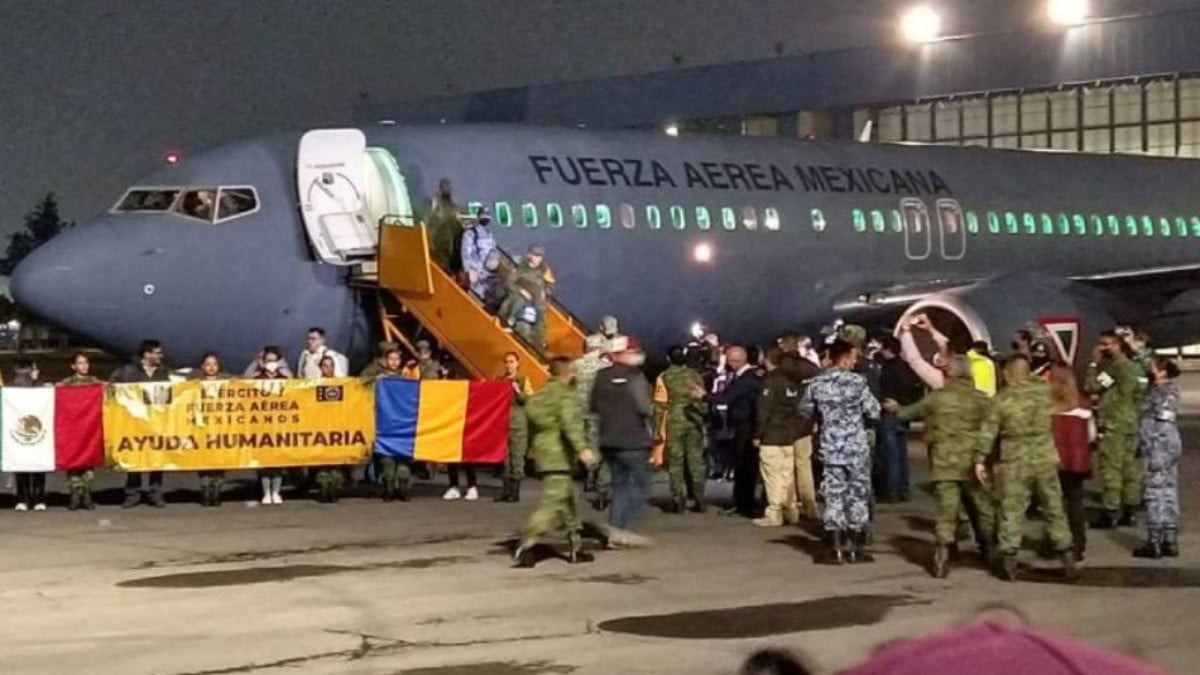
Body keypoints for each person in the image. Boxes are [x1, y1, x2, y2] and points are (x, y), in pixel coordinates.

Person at [886, 355, 994, 578]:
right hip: (972, 464)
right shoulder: (982, 400)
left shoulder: (937, 398)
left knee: (947, 512)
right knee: (981, 509)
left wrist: (895, 407)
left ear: (951, 373)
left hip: (944, 464)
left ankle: (943, 555)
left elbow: (908, 413)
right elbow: (993, 428)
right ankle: (990, 551)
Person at [977, 354, 1076, 581]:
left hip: (1015, 461)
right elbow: (1069, 399)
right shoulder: (1043, 391)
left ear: (1007, 373)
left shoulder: (1001, 400)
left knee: (1011, 510)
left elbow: (987, 433)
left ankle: (1009, 559)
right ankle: (1067, 555)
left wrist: (979, 459)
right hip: (1045, 458)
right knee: (1054, 508)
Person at [801, 339, 881, 564]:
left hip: (831, 447)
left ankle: (835, 547)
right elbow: (874, 411)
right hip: (856, 446)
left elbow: (805, 411)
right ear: (845, 358)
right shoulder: (858, 383)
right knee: (857, 495)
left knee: (834, 495)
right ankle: (855, 547)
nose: (855, 362)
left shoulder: (817, 383)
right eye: (853, 357)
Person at [513, 357, 597, 567]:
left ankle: (576, 548)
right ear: (567, 373)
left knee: (568, 502)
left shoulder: (541, 394)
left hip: (544, 454)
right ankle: (527, 544)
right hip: (559, 456)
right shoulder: (564, 395)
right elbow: (570, 423)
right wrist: (582, 449)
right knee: (551, 505)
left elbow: (531, 418)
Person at [590, 336, 654, 532]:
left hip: (608, 439)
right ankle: (620, 527)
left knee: (620, 485)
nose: (637, 355)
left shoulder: (600, 377)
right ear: (620, 354)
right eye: (633, 352)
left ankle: (615, 527)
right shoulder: (636, 378)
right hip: (633, 440)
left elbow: (593, 406)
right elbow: (645, 408)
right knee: (642, 485)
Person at [1084, 330, 1145, 529]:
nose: (1101, 348)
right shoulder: (1136, 368)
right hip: (1131, 423)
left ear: (1117, 345)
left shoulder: (1113, 369)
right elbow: (1140, 394)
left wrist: (1093, 364)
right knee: (1131, 470)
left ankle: (1111, 512)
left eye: (1105, 344)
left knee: (1111, 469)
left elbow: (1092, 386)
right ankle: (1131, 509)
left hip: (1113, 425)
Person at [699, 345, 762, 518]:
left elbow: (726, 398)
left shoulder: (747, 380)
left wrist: (704, 396)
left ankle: (744, 504)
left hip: (746, 427)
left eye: (730, 360)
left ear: (738, 360)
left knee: (745, 467)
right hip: (742, 426)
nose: (728, 363)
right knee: (742, 466)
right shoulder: (743, 378)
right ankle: (741, 502)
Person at [111, 339, 171, 508]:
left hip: (157, 423)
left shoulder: (163, 372)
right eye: (158, 353)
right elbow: (112, 387)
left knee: (157, 460)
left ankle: (155, 493)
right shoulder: (128, 372)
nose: (161, 356)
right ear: (147, 354)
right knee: (134, 458)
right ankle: (132, 494)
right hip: (134, 422)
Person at [1133, 356, 1182, 559]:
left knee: (1155, 493)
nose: (1150, 370)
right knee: (1169, 491)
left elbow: (1158, 421)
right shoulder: (1169, 390)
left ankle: (1154, 542)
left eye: (1154, 368)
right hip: (1169, 443)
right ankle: (1170, 539)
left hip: (1159, 444)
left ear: (1162, 372)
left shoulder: (1161, 393)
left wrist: (1151, 447)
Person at [752, 347, 804, 526]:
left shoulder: (770, 381)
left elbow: (764, 410)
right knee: (787, 475)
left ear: (767, 359)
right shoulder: (791, 381)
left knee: (772, 475)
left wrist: (758, 434)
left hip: (772, 435)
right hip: (788, 434)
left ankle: (774, 513)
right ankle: (791, 510)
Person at [654, 345, 708, 514]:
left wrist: (657, 429)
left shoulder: (664, 377)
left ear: (669, 359)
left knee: (675, 462)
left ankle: (678, 499)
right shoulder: (695, 375)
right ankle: (699, 498)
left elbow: (659, 406)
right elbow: (703, 399)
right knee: (696, 460)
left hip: (674, 422)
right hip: (694, 421)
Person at [1049, 364, 1094, 561]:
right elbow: (1091, 435)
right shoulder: (1083, 405)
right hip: (1078, 462)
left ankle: (1060, 543)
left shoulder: (1048, 408)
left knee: (1054, 505)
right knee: (1076, 503)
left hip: (1055, 460)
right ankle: (1078, 544)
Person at [875, 336, 924, 503]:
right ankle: (904, 489)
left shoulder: (887, 369)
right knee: (901, 453)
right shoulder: (906, 368)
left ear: (888, 349)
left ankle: (892, 490)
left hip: (889, 412)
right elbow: (915, 388)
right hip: (904, 413)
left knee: (891, 455)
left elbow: (881, 389)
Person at [60, 352, 100, 510]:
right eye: (80, 363)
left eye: (86, 363)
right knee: (73, 461)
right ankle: (75, 492)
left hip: (89, 428)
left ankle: (87, 492)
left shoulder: (94, 382)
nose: (84, 366)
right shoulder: (67, 383)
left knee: (88, 462)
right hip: (73, 428)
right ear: (73, 366)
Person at [193, 353, 232, 507]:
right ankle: (205, 491)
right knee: (204, 461)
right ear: (202, 367)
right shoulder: (196, 384)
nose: (211, 367)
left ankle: (217, 491)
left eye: (214, 364)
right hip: (203, 428)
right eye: (208, 364)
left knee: (219, 461)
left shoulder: (226, 383)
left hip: (220, 427)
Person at [574, 334, 610, 500]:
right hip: (596, 411)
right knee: (595, 444)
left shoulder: (576, 365)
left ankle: (585, 474)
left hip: (578, 411)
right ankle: (593, 477)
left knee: (582, 443)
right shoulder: (605, 366)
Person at [495, 352, 535, 502]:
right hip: (503, 423)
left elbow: (529, 400)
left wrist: (517, 389)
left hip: (518, 424)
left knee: (517, 458)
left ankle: (515, 491)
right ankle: (505, 490)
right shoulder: (500, 380)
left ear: (518, 363)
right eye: (506, 362)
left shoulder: (523, 380)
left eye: (511, 362)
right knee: (504, 459)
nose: (508, 365)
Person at [254, 347, 289, 505]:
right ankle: (266, 492)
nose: (271, 364)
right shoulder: (256, 380)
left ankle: (276, 492)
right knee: (265, 461)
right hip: (262, 424)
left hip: (280, 424)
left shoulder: (285, 379)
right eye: (268, 360)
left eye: (274, 360)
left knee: (278, 461)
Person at [10, 361, 46, 512]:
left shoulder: (40, 386)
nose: (37, 371)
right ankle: (26, 498)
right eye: (34, 368)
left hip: (39, 430)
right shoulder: (13, 388)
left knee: (38, 464)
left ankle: (33, 498)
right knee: (21, 464)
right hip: (20, 431)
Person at [425, 178, 465, 272]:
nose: (447, 189)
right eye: (444, 186)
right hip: (432, 252)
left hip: (447, 255)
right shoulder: (433, 204)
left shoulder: (455, 208)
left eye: (448, 187)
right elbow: (425, 224)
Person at [461, 206, 497, 301]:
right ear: (479, 216)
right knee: (475, 298)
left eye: (487, 216)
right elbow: (465, 253)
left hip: (487, 273)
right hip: (475, 272)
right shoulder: (471, 233)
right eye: (483, 215)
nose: (486, 218)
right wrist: (469, 270)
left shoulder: (489, 233)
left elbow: (493, 250)